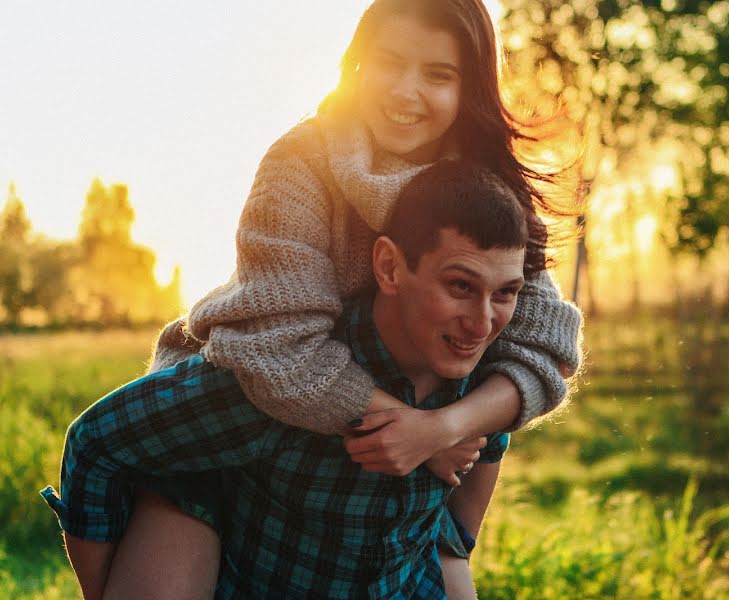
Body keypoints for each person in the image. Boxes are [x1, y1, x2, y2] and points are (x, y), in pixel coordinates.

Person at [45, 0, 581, 596]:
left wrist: (439, 429)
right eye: (389, 63)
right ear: (355, 65)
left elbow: (542, 343)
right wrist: (407, 428)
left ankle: (439, 546)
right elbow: (283, 353)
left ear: (469, 87)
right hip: (252, 395)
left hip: (398, 418)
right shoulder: (305, 160)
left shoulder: (486, 192)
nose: (407, 91)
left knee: (447, 541)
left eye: (439, 74)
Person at [45, 161, 531, 598]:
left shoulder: (481, 376)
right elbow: (96, 442)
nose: (482, 323)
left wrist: (452, 559)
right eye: (460, 286)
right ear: (388, 267)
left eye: (505, 293)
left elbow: (467, 505)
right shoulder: (284, 376)